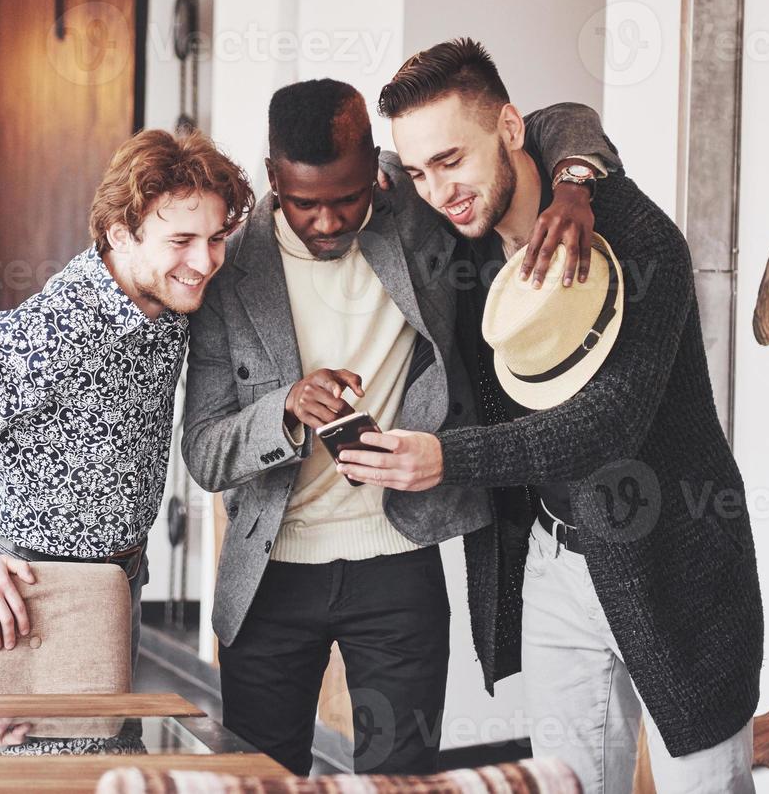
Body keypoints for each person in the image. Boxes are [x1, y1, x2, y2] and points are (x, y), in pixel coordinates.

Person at [339, 38, 763, 791]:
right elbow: (565, 125)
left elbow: (607, 424)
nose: (439, 190)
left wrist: (447, 458)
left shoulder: (636, 239)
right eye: (419, 171)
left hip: (678, 564)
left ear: (508, 129)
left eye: (451, 160)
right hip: (553, 561)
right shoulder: (460, 243)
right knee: (564, 785)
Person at [180, 78, 620, 776]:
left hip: (399, 562)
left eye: (345, 199)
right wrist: (284, 409)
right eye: (302, 204)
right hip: (268, 582)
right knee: (259, 783)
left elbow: (559, 120)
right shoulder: (227, 275)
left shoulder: (413, 207)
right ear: (271, 177)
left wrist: (574, 186)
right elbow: (203, 453)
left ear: (374, 169)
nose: (326, 222)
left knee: (403, 784)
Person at [0, 128, 254, 672]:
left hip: (123, 576)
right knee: (59, 757)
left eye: (217, 237)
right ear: (120, 234)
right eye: (181, 241)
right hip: (37, 588)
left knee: (110, 750)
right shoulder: (57, 329)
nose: (204, 261)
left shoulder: (167, 295)